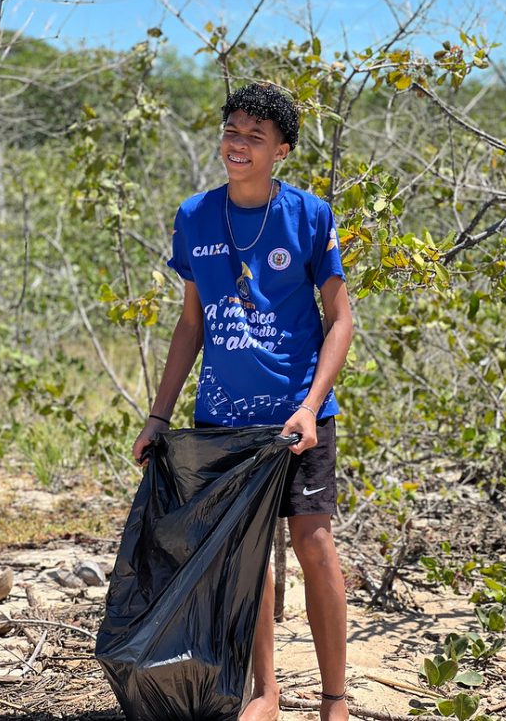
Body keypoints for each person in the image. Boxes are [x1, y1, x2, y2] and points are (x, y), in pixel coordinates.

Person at [133, 82, 353, 721]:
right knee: (244, 559)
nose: (238, 144)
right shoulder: (195, 215)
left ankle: (335, 701)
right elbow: (190, 326)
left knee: (314, 545)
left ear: (281, 150)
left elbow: (340, 321)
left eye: (255, 136)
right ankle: (265, 692)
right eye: (232, 131)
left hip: (296, 417)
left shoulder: (309, 215)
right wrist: (158, 416)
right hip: (222, 420)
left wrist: (311, 407)